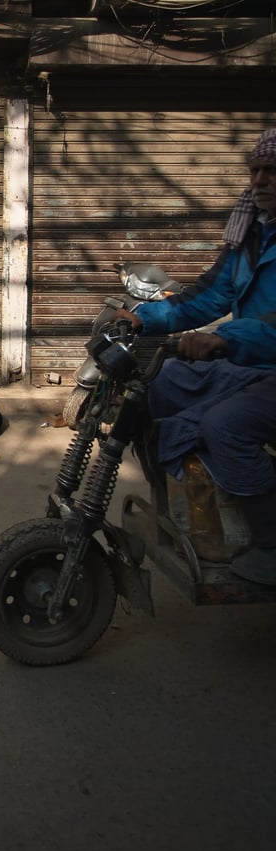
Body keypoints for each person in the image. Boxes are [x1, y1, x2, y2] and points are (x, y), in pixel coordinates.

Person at [116, 127, 276, 584]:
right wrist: (144, 317)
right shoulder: (252, 236)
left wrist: (228, 338)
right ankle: (189, 507)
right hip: (250, 363)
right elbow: (210, 294)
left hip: (261, 363)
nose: (261, 180)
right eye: (256, 171)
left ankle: (271, 541)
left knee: (226, 425)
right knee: (159, 385)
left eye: (272, 171)